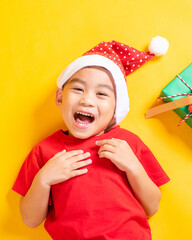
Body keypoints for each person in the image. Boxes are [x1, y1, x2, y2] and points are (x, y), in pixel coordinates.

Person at [12, 36, 170, 240]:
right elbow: (30, 220)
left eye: (102, 94)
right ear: (60, 97)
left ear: (116, 107)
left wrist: (133, 167)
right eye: (78, 89)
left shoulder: (128, 144)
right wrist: (44, 179)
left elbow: (152, 206)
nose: (86, 100)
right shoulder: (44, 151)